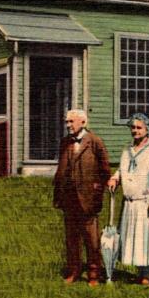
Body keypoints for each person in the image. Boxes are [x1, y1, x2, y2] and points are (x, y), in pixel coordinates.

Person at [107, 112, 149, 285]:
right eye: (133, 127)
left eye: (139, 127)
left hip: (145, 201)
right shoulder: (127, 150)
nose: (135, 131)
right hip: (130, 202)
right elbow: (122, 169)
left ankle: (146, 274)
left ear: (146, 129)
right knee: (133, 236)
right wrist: (115, 178)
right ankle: (138, 272)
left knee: (146, 236)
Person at [53, 109, 111, 288]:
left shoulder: (94, 142)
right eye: (67, 122)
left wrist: (97, 191)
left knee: (91, 239)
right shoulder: (65, 142)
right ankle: (74, 270)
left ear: (83, 122)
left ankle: (94, 272)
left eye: (71, 122)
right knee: (71, 237)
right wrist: (58, 193)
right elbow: (61, 169)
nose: (68, 125)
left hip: (88, 199)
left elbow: (105, 171)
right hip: (68, 198)